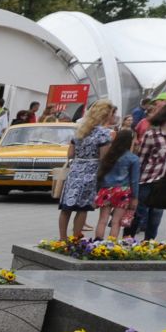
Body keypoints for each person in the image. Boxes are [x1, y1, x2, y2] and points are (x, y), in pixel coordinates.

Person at [58, 99, 116, 241]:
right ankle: (76, 239)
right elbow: (104, 158)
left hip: (75, 170)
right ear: (105, 114)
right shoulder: (103, 133)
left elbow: (70, 154)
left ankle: (62, 238)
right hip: (90, 172)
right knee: (82, 208)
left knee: (67, 207)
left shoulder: (80, 129)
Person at [131, 102, 166, 239]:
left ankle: (149, 244)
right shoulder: (152, 134)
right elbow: (141, 158)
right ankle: (128, 240)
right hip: (147, 178)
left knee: (155, 217)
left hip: (164, 180)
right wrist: (135, 182)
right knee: (139, 214)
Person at [93, 129, 141, 240]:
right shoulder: (133, 158)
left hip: (106, 190)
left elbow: (100, 174)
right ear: (130, 141)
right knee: (116, 222)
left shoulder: (109, 155)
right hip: (123, 191)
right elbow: (134, 180)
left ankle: (97, 242)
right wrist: (135, 197)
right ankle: (111, 245)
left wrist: (96, 191)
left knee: (102, 220)